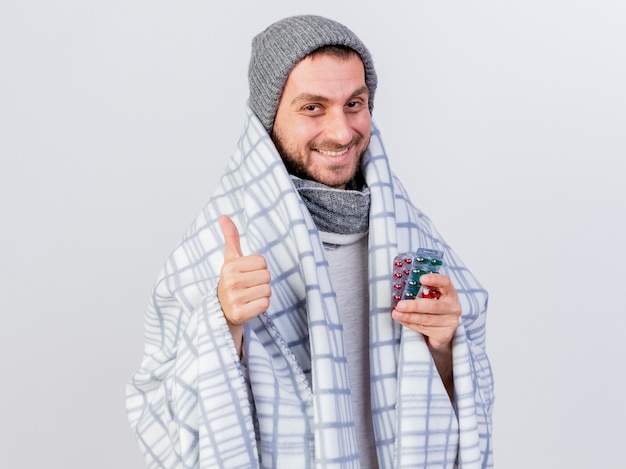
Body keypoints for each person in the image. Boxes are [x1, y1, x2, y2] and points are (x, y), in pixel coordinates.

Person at [126, 14, 494, 469]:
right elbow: (157, 416)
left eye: (354, 104)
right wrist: (223, 326)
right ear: (267, 118)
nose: (341, 132)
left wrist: (442, 346)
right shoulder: (220, 250)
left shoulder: (410, 234)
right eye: (313, 108)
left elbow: (462, 399)